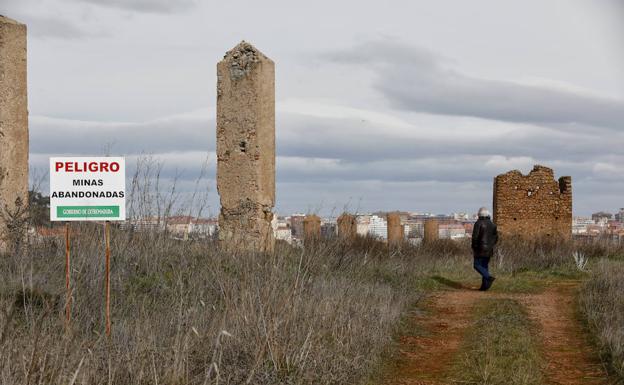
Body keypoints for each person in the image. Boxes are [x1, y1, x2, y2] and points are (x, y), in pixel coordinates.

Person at [471, 207, 498, 291]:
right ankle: (484, 287)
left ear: (479, 215)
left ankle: (488, 278)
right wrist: (491, 245)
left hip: (480, 249)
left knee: (477, 265)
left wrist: (474, 246)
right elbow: (496, 237)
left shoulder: (478, 223)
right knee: (484, 267)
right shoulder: (492, 224)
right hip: (489, 249)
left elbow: (475, 237)